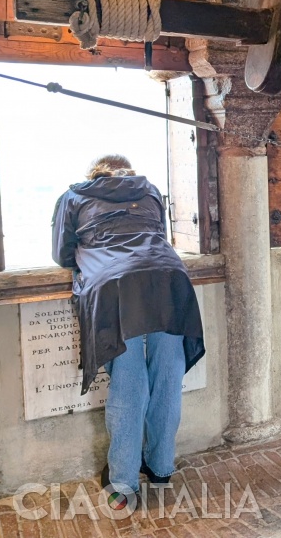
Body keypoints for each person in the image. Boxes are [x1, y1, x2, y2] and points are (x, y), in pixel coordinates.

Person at [52, 155, 204, 509]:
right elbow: (159, 236)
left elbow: (62, 254)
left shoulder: (74, 197)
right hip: (169, 279)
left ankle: (123, 482)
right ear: (128, 173)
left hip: (114, 288)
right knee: (168, 374)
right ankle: (162, 468)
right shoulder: (149, 190)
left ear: (96, 174)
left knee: (129, 380)